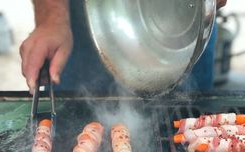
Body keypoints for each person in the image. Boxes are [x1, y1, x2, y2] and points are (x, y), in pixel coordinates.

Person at [20, 0, 227, 95]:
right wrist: (52, 18)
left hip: (187, 30)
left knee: (191, 134)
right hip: (90, 25)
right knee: (68, 135)